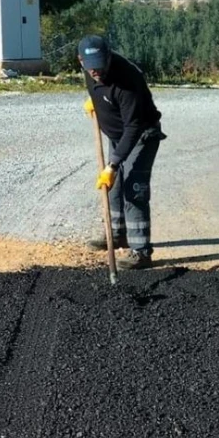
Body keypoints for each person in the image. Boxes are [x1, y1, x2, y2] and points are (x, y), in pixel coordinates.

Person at [79, 35, 166, 269]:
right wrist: (95, 101)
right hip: (117, 136)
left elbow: (134, 127)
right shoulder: (90, 70)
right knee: (113, 187)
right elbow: (97, 87)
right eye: (91, 68)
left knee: (133, 189)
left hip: (142, 136)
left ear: (109, 58)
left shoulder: (128, 80)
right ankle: (117, 235)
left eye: (100, 66)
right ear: (81, 62)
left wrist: (113, 164)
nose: (96, 72)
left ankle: (141, 252)